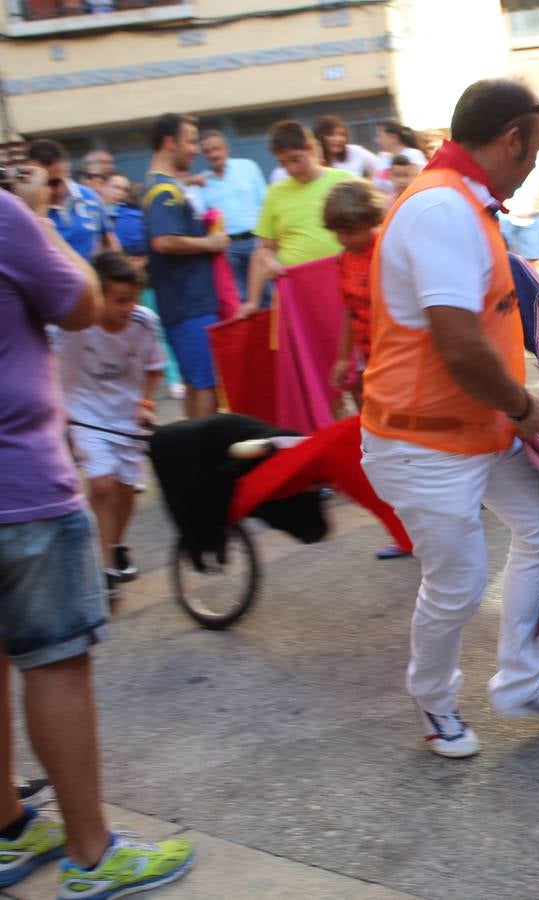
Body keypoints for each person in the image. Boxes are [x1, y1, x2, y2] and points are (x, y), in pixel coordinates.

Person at [361, 78, 539, 761]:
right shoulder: (441, 208)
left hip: (472, 427)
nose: (536, 164)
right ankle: (434, 700)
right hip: (422, 441)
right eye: (535, 150)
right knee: (461, 580)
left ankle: (523, 680)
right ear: (509, 139)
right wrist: (525, 406)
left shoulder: (463, 201)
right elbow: (461, 346)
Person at [0, 169, 196, 900]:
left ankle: (10, 828)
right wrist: (42, 218)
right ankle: (91, 854)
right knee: (54, 664)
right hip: (17, 485)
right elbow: (80, 305)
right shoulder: (6, 217)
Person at [60, 252, 165, 593]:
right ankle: (105, 571)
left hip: (125, 415)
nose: (129, 307)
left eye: (134, 298)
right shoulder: (74, 323)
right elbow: (50, 363)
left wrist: (146, 403)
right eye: (120, 300)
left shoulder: (145, 322)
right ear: (98, 295)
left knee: (124, 488)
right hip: (86, 413)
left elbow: (154, 366)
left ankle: (116, 547)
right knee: (102, 486)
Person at [144, 113, 229, 421]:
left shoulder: (169, 186)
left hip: (189, 303)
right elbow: (164, 240)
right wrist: (210, 243)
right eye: (191, 141)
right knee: (206, 385)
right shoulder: (164, 191)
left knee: (198, 383)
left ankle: (195, 455)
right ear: (170, 143)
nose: (196, 149)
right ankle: (204, 455)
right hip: (188, 305)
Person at [241, 120, 354, 318]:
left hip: (345, 282)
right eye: (283, 163)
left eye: (295, 159)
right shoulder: (275, 193)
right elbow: (264, 248)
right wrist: (253, 299)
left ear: (310, 148)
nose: (290, 169)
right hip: (298, 291)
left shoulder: (344, 181)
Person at [325, 180, 386, 411]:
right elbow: (350, 310)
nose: (344, 240)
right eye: (339, 233)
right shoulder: (344, 259)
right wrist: (343, 358)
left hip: (396, 353)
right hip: (368, 353)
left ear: (371, 222)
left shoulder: (386, 250)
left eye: (350, 233)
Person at [198, 130, 269, 304]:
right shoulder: (201, 182)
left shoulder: (247, 167)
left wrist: (266, 239)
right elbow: (202, 217)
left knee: (267, 291)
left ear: (226, 149)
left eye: (217, 148)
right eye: (208, 151)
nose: (213, 154)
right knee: (240, 299)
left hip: (255, 241)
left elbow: (266, 202)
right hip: (228, 248)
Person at [28, 139, 119, 262]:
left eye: (54, 182)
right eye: (41, 183)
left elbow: (109, 239)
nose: (49, 190)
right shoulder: (26, 207)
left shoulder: (88, 196)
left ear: (67, 170)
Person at [313, 114, 378, 179]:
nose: (338, 139)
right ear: (320, 137)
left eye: (342, 135)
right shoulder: (313, 160)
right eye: (331, 135)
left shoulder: (355, 151)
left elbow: (380, 168)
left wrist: (367, 182)